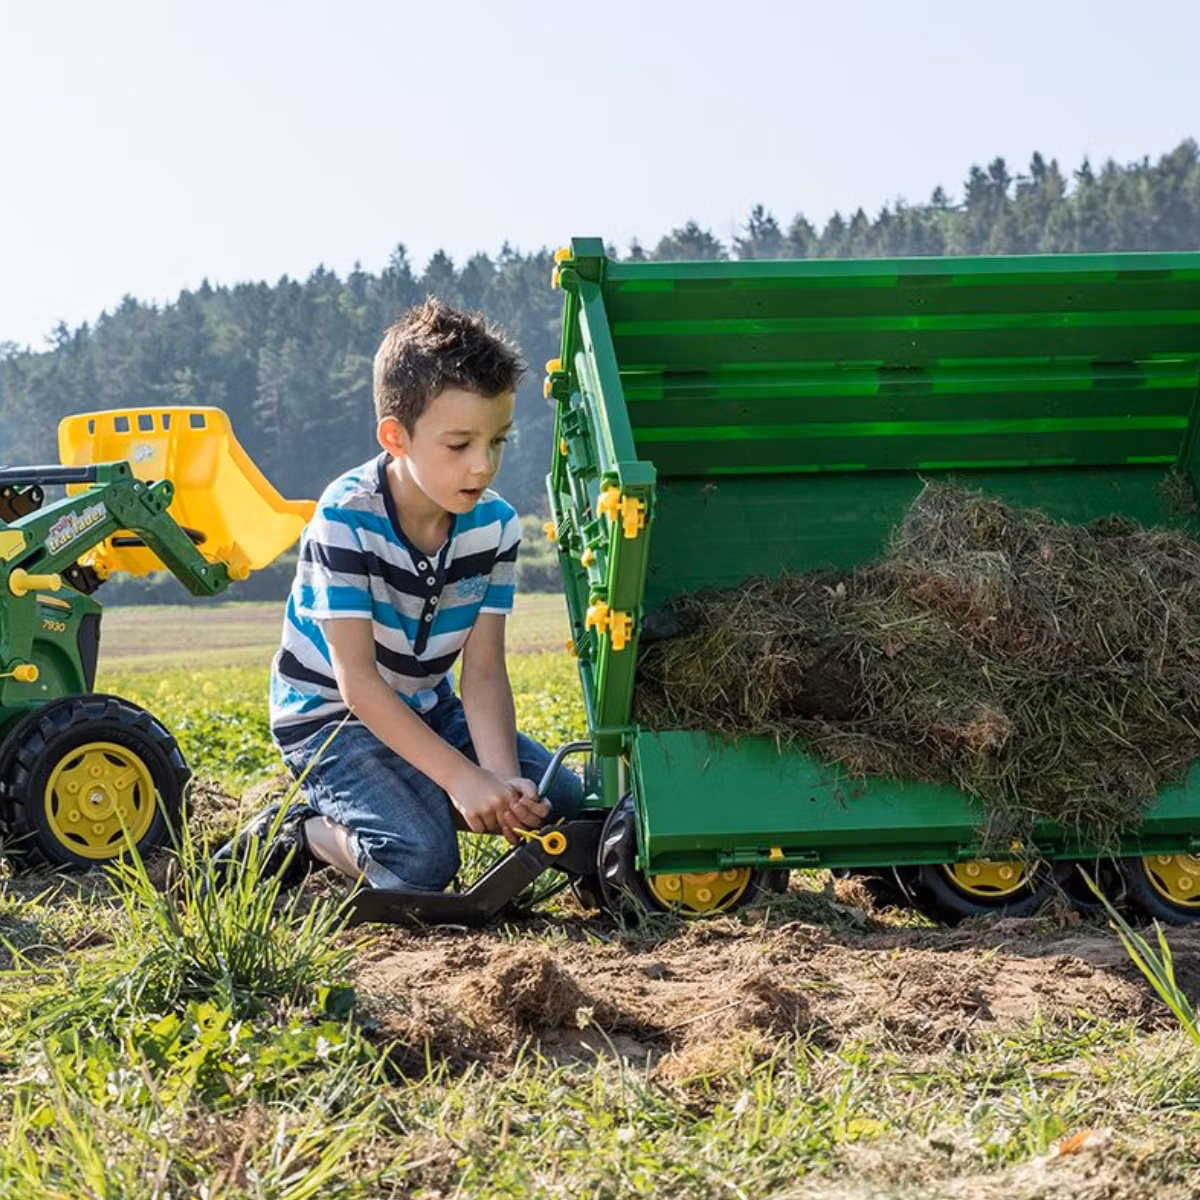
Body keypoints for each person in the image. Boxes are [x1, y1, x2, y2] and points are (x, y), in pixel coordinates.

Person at [213, 298, 583, 892]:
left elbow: (483, 674)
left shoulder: (496, 526)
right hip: (330, 721)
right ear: (396, 437)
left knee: (565, 802)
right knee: (421, 863)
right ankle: (301, 835)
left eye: (498, 441)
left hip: (427, 709)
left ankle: (414, 797)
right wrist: (460, 779)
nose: (483, 466)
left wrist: (499, 781)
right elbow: (357, 683)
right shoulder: (344, 519)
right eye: (459, 445)